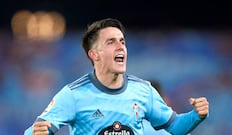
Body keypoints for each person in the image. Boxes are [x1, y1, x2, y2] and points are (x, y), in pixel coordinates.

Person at [24, 18, 209, 135]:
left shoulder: (144, 90)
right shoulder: (73, 94)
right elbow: (37, 129)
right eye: (111, 42)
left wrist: (196, 116)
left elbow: (175, 126)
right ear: (94, 55)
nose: (120, 47)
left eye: (122, 41)